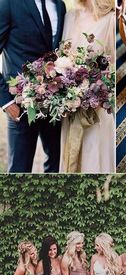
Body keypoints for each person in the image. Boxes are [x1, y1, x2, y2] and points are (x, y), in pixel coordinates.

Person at [0, 0, 66, 173]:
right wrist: (6, 102)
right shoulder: (8, 4)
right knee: (19, 171)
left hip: (55, 104)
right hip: (21, 106)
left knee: (56, 166)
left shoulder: (60, 5)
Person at [61, 0, 115, 174]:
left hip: (96, 111)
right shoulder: (69, 16)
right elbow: (61, 58)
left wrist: (96, 94)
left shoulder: (110, 18)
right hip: (70, 110)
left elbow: (113, 68)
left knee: (93, 159)